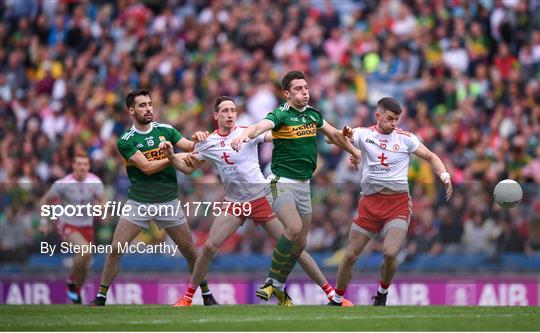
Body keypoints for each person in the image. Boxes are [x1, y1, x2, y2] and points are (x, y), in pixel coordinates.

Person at [161, 96, 352, 306]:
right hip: (235, 202)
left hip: (261, 198)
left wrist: (310, 134)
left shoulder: (248, 133)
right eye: (224, 111)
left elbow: (278, 134)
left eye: (232, 110)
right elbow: (188, 168)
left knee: (295, 246)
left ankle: (331, 294)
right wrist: (171, 156)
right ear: (215, 115)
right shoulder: (209, 142)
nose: (230, 114)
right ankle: (188, 298)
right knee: (209, 247)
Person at [231, 71, 361, 304]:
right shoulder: (281, 114)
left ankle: (278, 285)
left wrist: (355, 151)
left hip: (304, 186)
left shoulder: (313, 115)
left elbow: (334, 135)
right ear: (287, 94)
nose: (305, 92)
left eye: (306, 87)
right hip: (280, 183)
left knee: (300, 243)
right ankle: (271, 281)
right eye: (299, 89)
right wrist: (244, 135)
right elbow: (261, 126)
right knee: (292, 228)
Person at [89, 89, 217, 306]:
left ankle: (206, 294)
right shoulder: (126, 140)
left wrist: (201, 138)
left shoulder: (166, 130)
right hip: (139, 202)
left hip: (168, 201)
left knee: (189, 250)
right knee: (116, 248)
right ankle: (101, 297)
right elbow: (147, 168)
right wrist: (172, 157)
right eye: (142, 105)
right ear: (131, 111)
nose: (148, 108)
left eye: (150, 104)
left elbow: (190, 147)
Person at [328, 97, 453, 306]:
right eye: (390, 118)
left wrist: (445, 176)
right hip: (369, 204)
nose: (394, 123)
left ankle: (382, 292)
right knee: (350, 255)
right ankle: (337, 299)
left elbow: (431, 156)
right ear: (378, 115)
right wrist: (343, 137)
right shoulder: (363, 134)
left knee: (390, 252)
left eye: (397, 119)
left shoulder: (405, 138)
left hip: (397, 204)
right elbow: (329, 140)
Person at [39, 152, 106, 304]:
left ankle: (75, 293)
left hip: (86, 226)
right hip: (67, 224)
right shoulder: (63, 184)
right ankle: (71, 281)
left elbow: (103, 200)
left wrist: (102, 208)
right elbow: (44, 200)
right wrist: (43, 222)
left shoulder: (94, 182)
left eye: (85, 164)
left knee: (86, 263)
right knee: (85, 251)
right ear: (73, 166)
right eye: (79, 164)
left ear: (89, 166)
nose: (82, 167)